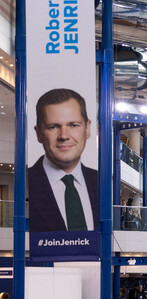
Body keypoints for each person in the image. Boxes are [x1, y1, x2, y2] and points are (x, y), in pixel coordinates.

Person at [29, 88, 98, 232]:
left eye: (73, 125)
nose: (64, 136)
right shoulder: (24, 181)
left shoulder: (100, 182)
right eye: (53, 127)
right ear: (39, 133)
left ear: (87, 129)